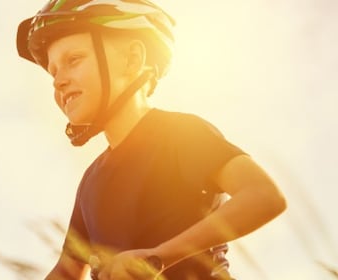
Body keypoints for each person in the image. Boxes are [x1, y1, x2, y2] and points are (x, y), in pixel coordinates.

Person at [15, 1, 289, 279]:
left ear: (133, 59)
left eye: (73, 60)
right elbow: (67, 271)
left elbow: (263, 196)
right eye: (53, 72)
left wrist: (159, 257)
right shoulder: (91, 181)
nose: (58, 81)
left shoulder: (181, 133)